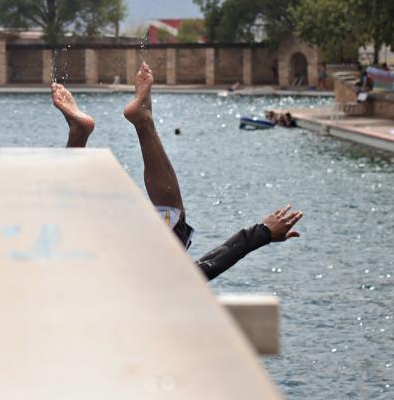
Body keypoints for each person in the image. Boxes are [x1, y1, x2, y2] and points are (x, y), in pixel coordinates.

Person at [50, 62, 303, 281]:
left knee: (172, 216)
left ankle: (139, 123)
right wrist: (261, 234)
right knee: (69, 217)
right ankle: (83, 135)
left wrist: (261, 233)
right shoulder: (140, 290)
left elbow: (205, 269)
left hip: (107, 263)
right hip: (98, 256)